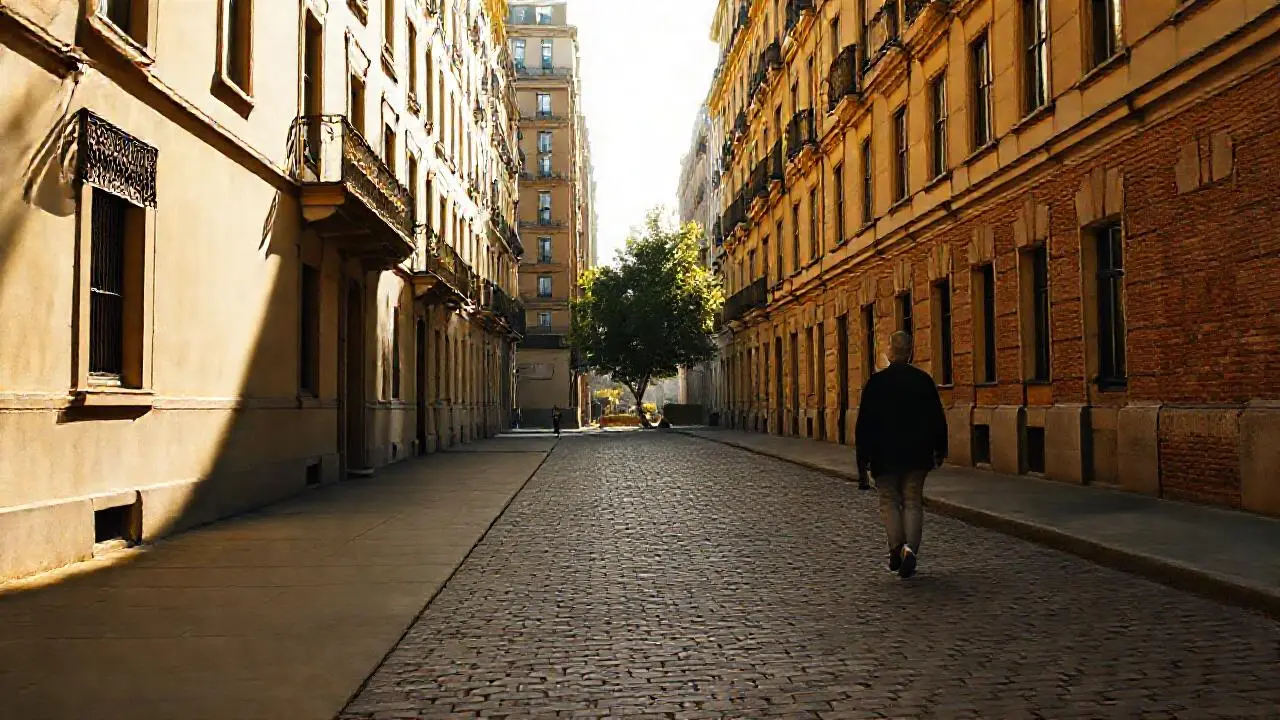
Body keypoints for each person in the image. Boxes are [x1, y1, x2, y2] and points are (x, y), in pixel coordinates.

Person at [854, 331, 948, 579]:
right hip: (918, 454)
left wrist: (862, 461)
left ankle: (897, 548)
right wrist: (940, 449)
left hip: (884, 454)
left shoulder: (876, 383)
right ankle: (910, 551)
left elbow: (864, 424)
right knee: (913, 500)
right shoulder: (923, 381)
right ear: (910, 352)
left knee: (888, 501)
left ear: (891, 351)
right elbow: (937, 418)